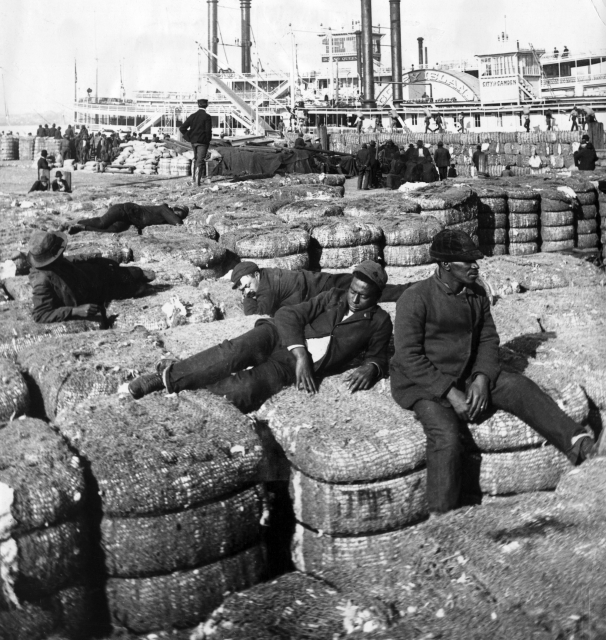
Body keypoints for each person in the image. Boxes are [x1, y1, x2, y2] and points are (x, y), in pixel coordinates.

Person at [390, 229, 605, 515]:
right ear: (445, 265)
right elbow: (408, 357)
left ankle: (581, 446)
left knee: (521, 388)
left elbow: (489, 340)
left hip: (467, 372)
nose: (476, 266)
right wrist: (449, 392)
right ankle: (443, 516)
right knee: (446, 437)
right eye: (467, 262)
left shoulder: (477, 293)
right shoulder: (415, 298)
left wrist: (481, 377)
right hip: (424, 382)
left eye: (475, 260)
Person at [127, 261, 393, 413]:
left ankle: (189, 385)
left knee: (244, 389)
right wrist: (300, 352)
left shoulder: (379, 321)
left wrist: (372, 367)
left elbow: (379, 354)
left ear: (377, 297)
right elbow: (289, 314)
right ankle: (165, 379)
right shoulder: (334, 296)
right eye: (353, 291)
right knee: (232, 353)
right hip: (277, 335)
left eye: (363, 295)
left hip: (288, 367)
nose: (355, 299)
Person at [26, 230, 155, 324]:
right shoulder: (41, 281)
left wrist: (97, 257)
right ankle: (134, 284)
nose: (62, 253)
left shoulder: (55, 262)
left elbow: (71, 259)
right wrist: (74, 311)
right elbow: (40, 315)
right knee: (138, 289)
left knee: (134, 272)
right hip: (89, 294)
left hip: (87, 276)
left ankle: (137, 274)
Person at [231, 260, 412, 317]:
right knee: (360, 286)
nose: (247, 290)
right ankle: (409, 289)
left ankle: (410, 290)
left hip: (320, 288)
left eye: (247, 285)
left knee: (368, 292)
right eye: (242, 289)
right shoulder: (265, 274)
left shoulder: (266, 288)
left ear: (255, 275)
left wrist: (248, 297)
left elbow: (254, 316)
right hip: (318, 281)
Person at [67, 203, 189, 235]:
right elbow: (177, 223)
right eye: (180, 213)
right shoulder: (164, 209)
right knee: (102, 223)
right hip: (123, 210)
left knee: (113, 230)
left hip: (129, 219)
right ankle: (75, 223)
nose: (179, 216)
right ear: (176, 210)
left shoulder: (164, 216)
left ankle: (83, 228)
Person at [179, 98, 212, 186]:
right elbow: (208, 131)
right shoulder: (207, 116)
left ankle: (194, 179)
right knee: (200, 160)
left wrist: (189, 137)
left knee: (196, 159)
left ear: (198, 105)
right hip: (203, 142)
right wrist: (208, 141)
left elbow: (182, 128)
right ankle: (197, 181)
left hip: (194, 142)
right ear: (206, 105)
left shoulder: (192, 116)